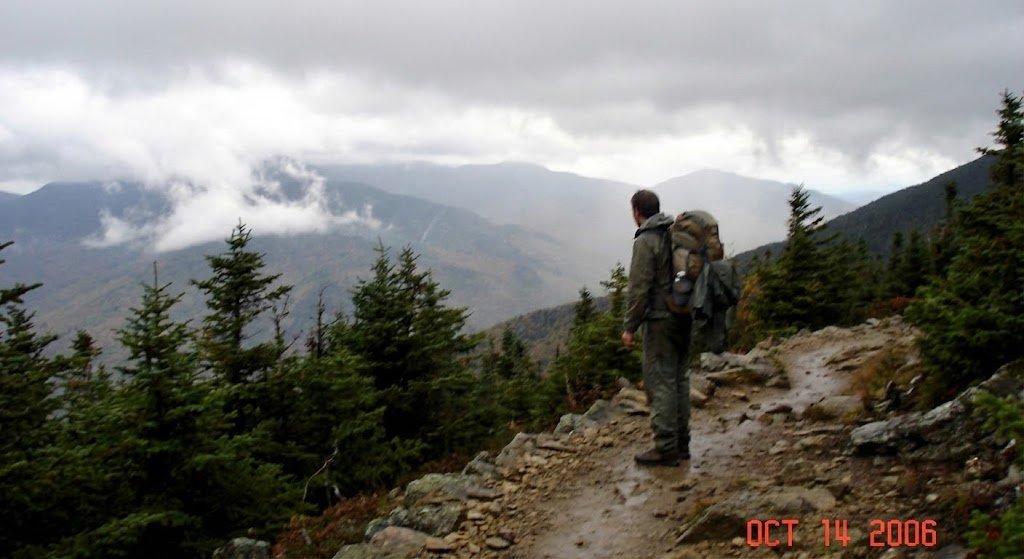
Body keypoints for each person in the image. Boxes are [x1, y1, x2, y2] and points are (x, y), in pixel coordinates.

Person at [621, 189, 693, 466]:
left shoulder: (646, 240)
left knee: (660, 382)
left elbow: (638, 289)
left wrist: (630, 327)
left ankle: (666, 448)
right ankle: (682, 443)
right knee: (680, 379)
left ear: (637, 212)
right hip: (684, 314)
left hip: (661, 321)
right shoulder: (675, 233)